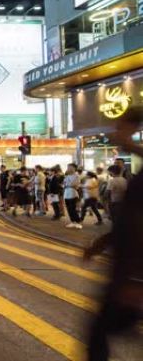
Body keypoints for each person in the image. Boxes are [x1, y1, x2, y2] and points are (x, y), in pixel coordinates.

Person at [83, 106, 143, 361]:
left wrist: (134, 281)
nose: (115, 134)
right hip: (126, 272)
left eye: (120, 128)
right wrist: (102, 242)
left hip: (132, 275)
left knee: (98, 333)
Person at [64, 163, 82, 229]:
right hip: (66, 194)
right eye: (68, 167)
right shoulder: (67, 176)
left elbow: (74, 184)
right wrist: (67, 184)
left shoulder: (76, 175)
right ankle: (73, 221)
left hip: (73, 194)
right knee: (69, 209)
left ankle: (78, 222)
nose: (68, 168)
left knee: (73, 209)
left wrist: (68, 184)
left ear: (74, 168)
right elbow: (64, 184)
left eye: (70, 167)